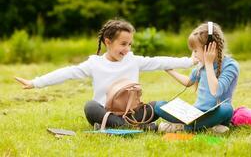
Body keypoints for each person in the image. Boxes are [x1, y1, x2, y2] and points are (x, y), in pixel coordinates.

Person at [15, 19, 199, 131]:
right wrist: (35, 82)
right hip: (105, 113)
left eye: (130, 44)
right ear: (108, 41)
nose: (127, 49)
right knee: (90, 106)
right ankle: (132, 128)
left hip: (132, 114)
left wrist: (189, 61)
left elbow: (161, 61)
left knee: (159, 105)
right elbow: (67, 73)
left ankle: (196, 122)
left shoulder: (133, 60)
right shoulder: (95, 64)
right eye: (123, 44)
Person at [154, 22, 239, 133]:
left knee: (227, 109)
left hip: (216, 115)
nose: (194, 55)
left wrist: (208, 63)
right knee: (159, 105)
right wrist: (169, 70)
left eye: (195, 51)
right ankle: (206, 128)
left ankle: (183, 127)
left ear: (210, 48)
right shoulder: (201, 66)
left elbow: (216, 91)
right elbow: (188, 82)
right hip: (195, 113)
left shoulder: (230, 66)